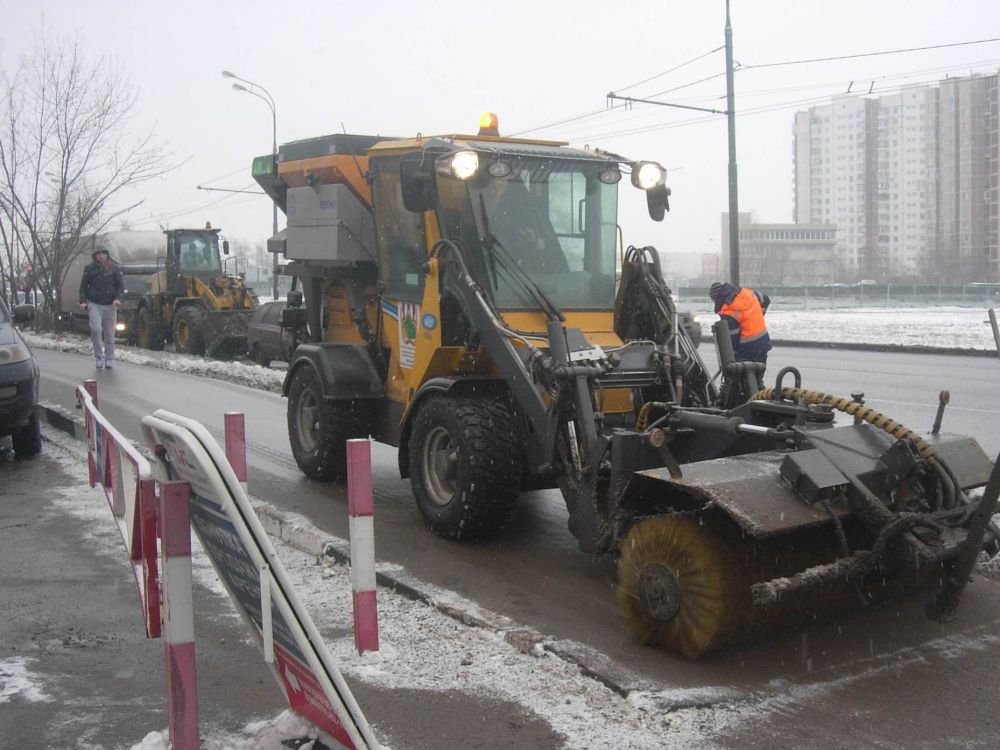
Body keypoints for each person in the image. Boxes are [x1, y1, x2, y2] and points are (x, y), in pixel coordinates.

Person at [79, 248, 123, 369]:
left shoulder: (114, 268)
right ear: (95, 256)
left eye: (103, 254)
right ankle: (99, 356)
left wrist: (117, 298)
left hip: (110, 305)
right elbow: (83, 287)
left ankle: (109, 358)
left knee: (109, 334)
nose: (101, 256)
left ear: (107, 255)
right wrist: (83, 301)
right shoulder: (89, 269)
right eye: (98, 254)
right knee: (96, 330)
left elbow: (120, 287)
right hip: (94, 304)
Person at [709, 281, 771, 365]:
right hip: (763, 343)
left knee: (744, 377)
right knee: (759, 375)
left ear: (716, 299)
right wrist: (758, 316)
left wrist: (732, 360)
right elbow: (766, 299)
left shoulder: (728, 312)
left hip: (747, 350)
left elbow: (732, 340)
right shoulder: (746, 292)